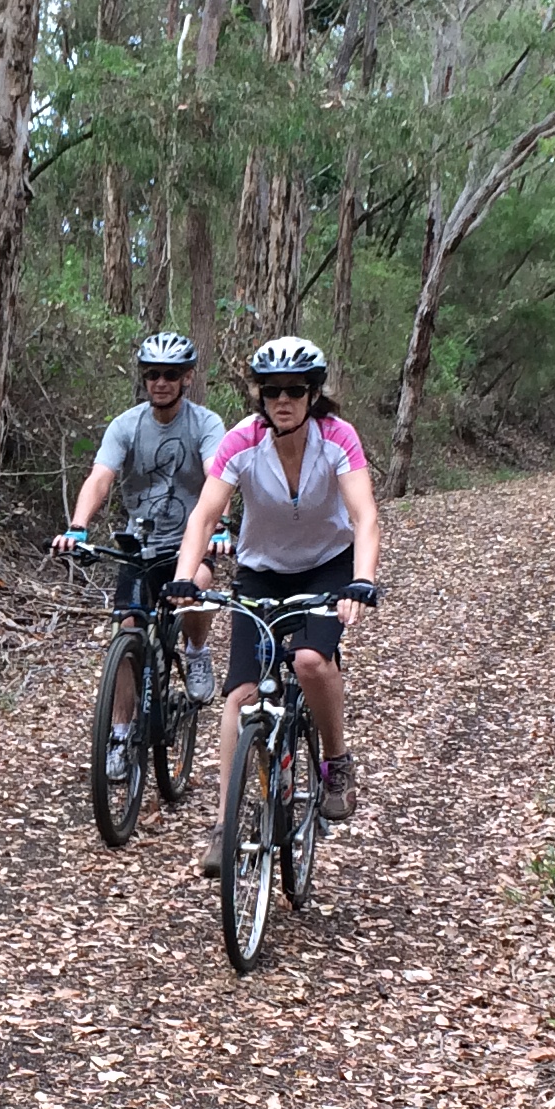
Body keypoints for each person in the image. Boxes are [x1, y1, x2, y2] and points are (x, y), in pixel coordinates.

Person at [167, 334, 381, 852]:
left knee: (309, 661)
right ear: (259, 395)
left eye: (295, 390)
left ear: (313, 394)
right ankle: (223, 826)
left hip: (327, 567)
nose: (283, 400)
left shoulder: (338, 437)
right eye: (271, 390)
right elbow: (204, 516)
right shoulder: (241, 440)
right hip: (262, 571)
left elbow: (364, 516)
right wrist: (184, 576)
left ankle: (336, 761)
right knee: (241, 696)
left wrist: (363, 580)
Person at [50, 332, 228, 776]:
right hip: (140, 543)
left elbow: (217, 476)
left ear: (187, 378)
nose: (160, 382)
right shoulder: (126, 425)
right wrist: (78, 527)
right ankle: (119, 734)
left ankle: (196, 649)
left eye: (170, 374)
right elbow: (100, 477)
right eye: (152, 374)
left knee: (199, 584)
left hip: (189, 541)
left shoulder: (205, 424)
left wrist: (220, 526)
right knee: (128, 630)